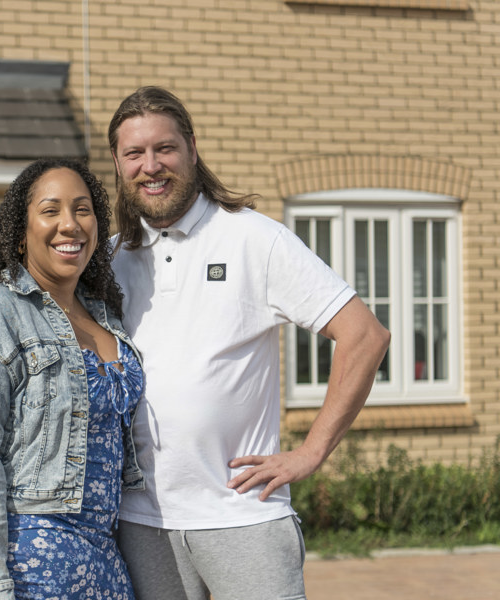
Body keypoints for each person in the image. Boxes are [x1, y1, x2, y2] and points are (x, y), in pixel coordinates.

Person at [107, 86, 391, 600]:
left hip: (242, 515)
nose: (151, 165)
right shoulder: (109, 260)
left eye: (165, 148)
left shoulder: (255, 239)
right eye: (135, 153)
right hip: (142, 522)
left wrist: (309, 453)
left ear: (192, 149)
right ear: (118, 162)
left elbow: (365, 335)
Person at [0, 158, 144, 600]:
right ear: (20, 233)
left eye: (82, 209)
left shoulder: (105, 314)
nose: (69, 224)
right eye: (51, 211)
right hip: (30, 536)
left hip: (100, 542)